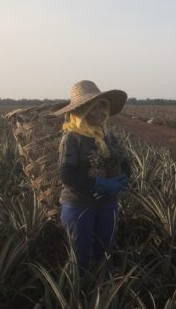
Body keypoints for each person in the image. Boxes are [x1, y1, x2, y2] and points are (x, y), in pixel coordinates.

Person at [53, 80, 131, 272]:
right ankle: (81, 296)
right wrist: (100, 184)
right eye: (91, 107)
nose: (98, 112)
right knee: (81, 259)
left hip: (107, 203)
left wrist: (123, 179)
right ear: (80, 111)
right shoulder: (72, 138)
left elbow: (124, 162)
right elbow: (67, 174)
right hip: (79, 205)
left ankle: (102, 291)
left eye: (101, 106)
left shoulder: (107, 135)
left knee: (105, 254)